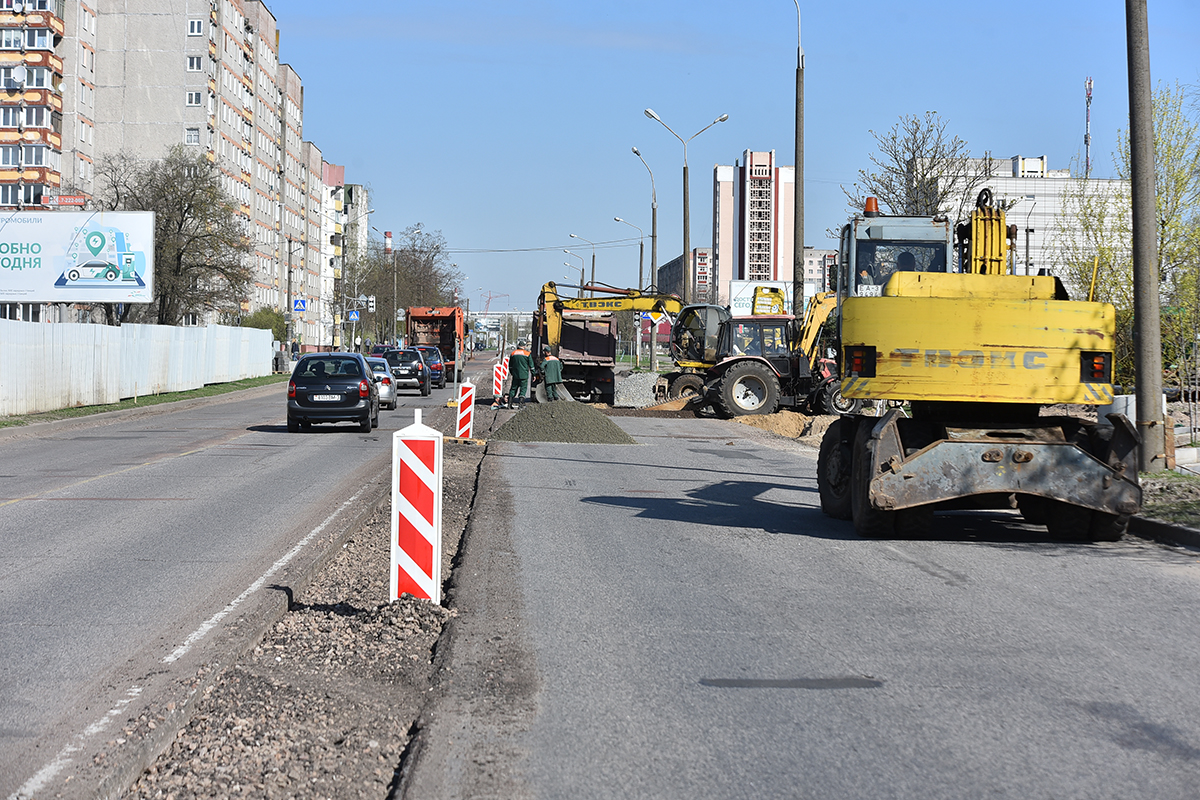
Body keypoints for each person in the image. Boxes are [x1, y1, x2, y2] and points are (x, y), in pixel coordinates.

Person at [504, 340, 533, 408]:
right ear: (524, 346)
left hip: (515, 375)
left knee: (513, 388)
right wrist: (533, 374)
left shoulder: (513, 353)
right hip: (524, 375)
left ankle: (509, 404)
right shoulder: (527, 354)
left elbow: (510, 366)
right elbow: (531, 366)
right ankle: (521, 404)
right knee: (523, 389)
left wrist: (512, 373)